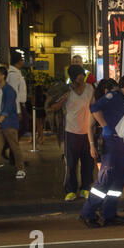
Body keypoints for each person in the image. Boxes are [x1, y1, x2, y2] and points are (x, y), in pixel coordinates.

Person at [79, 75, 124, 228]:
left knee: (119, 181)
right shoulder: (113, 96)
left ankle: (109, 214)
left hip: (123, 143)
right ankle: (87, 214)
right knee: (105, 180)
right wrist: (105, 126)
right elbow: (94, 108)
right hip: (111, 143)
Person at [51, 65, 94, 201]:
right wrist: (63, 98)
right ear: (74, 77)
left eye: (83, 74)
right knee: (71, 164)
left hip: (87, 132)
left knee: (88, 163)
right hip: (71, 131)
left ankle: (85, 188)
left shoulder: (90, 89)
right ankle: (70, 191)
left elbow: (94, 106)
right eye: (80, 75)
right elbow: (53, 107)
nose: (83, 77)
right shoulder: (66, 90)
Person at [89, 78, 119, 170]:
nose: (116, 95)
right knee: (104, 171)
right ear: (106, 91)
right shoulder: (97, 105)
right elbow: (89, 127)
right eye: (115, 92)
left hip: (114, 140)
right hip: (102, 141)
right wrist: (92, 146)